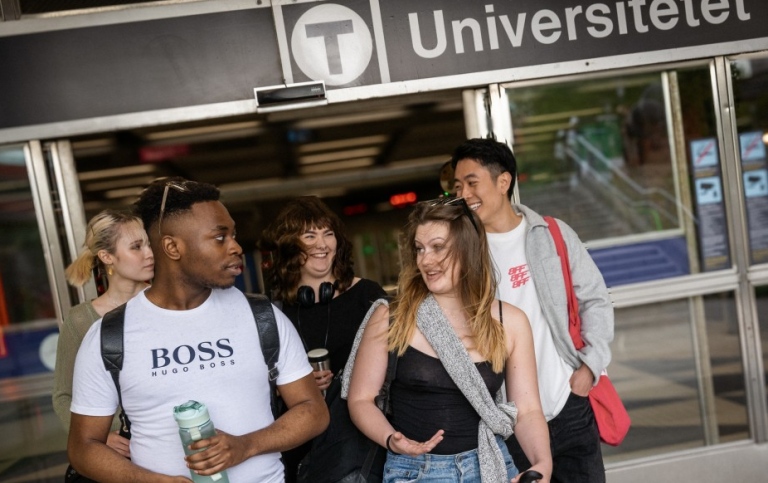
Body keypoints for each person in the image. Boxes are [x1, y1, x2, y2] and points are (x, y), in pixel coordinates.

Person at [68, 177, 329, 482]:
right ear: (172, 247)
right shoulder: (110, 336)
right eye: (219, 237)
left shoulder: (262, 317)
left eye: (233, 235)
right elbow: (83, 447)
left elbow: (314, 411)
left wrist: (246, 446)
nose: (235, 247)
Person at [346, 199, 552, 483]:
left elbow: (528, 410)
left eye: (438, 247)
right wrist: (391, 439)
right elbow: (360, 399)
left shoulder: (510, 321)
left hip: (490, 463)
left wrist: (543, 463)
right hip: (415, 472)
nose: (425, 260)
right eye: (419, 248)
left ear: (468, 249)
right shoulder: (392, 316)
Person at [451, 138, 614, 483]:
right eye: (458, 185)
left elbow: (595, 298)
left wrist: (589, 367)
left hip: (567, 402)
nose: (463, 193)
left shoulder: (552, 234)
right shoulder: (465, 254)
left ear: (503, 181)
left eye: (471, 182)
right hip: (510, 420)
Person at [260, 195, 387, 482]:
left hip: (359, 443)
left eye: (328, 234)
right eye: (309, 235)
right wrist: (288, 388)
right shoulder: (272, 311)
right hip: (300, 445)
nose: (322, 244)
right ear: (291, 245)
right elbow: (256, 381)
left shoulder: (366, 295)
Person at [53, 210, 154, 459]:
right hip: (122, 455)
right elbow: (63, 395)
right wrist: (101, 436)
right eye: (136, 247)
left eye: (148, 244)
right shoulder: (81, 321)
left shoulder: (170, 303)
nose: (150, 254)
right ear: (107, 256)